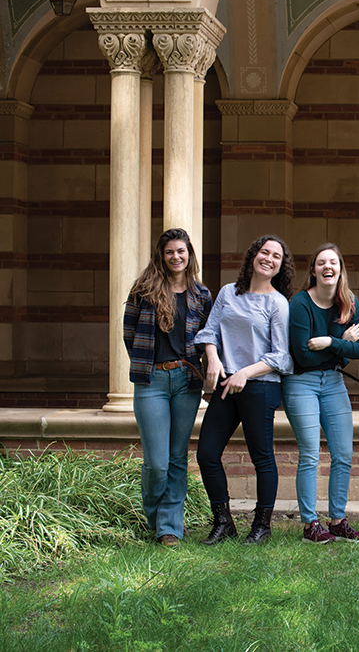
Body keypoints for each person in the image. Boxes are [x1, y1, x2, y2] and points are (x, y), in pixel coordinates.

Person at [195, 235, 294, 545]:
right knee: (206, 453)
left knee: (261, 457)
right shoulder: (228, 292)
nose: (269, 258)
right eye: (264, 252)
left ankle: (261, 526)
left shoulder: (278, 303)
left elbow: (281, 356)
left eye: (276, 256)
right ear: (253, 256)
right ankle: (223, 522)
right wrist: (212, 358)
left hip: (260, 387)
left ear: (280, 266)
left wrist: (245, 373)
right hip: (226, 383)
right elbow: (209, 331)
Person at [123, 228, 213, 547]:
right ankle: (156, 517)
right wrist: (145, 364)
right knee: (157, 462)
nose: (176, 256)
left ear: (190, 254)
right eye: (170, 251)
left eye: (181, 251)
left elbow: (207, 338)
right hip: (153, 382)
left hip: (186, 380)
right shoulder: (144, 290)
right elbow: (129, 333)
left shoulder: (201, 295)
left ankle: (169, 527)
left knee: (177, 457)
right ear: (161, 256)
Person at [283, 243, 359, 544]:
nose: (327, 267)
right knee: (310, 453)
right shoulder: (300, 303)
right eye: (321, 262)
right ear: (314, 270)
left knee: (343, 453)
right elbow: (303, 356)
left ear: (341, 269)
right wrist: (342, 345)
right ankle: (310, 524)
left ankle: (338, 520)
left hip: (334, 383)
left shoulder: (349, 304)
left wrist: (331, 342)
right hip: (301, 383)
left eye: (333, 262)